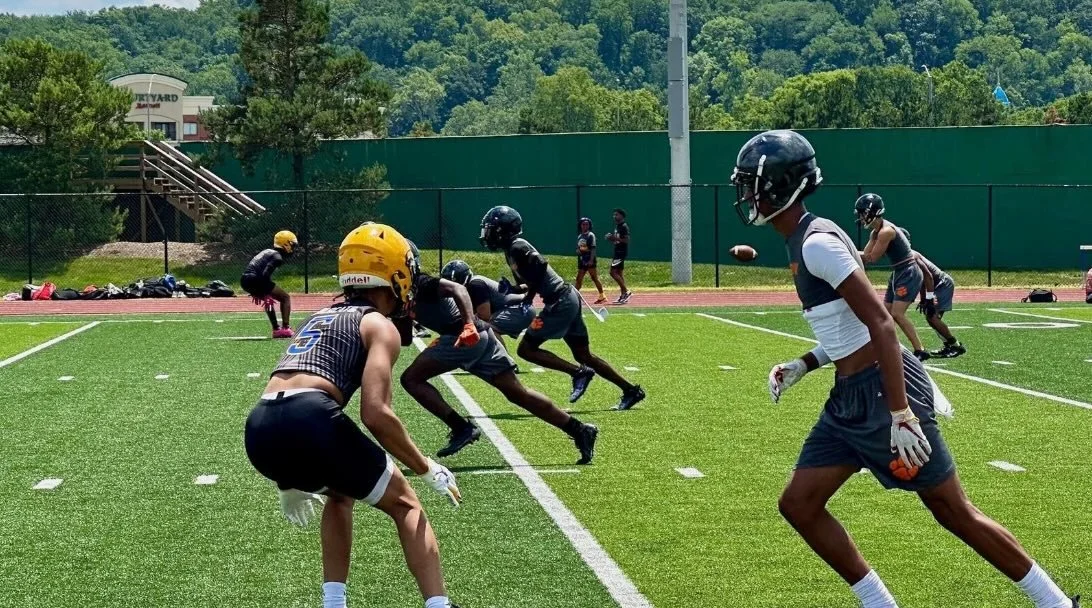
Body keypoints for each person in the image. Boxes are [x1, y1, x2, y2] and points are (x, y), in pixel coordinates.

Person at [731, 129, 1078, 608]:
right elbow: (849, 327)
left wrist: (901, 413)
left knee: (952, 509)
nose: (746, 194)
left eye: (752, 184)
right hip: (852, 394)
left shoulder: (815, 243)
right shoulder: (805, 238)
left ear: (781, 186)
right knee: (800, 504)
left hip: (883, 390)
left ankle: (1056, 603)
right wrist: (805, 363)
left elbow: (881, 322)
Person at [243, 223, 463, 608]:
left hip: (260, 426)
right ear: (395, 273)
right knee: (406, 504)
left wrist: (287, 480)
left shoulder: (317, 317)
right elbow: (376, 414)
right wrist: (426, 467)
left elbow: (286, 388)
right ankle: (439, 605)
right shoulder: (377, 324)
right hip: (309, 417)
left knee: (340, 494)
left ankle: (334, 603)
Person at [400, 257, 599, 464]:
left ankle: (461, 427)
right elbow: (405, 339)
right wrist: (402, 313)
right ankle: (579, 429)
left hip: (463, 335)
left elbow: (458, 288)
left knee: (411, 379)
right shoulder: (400, 293)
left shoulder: (420, 283)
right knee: (518, 394)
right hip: (482, 335)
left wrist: (468, 325)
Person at [480, 205, 646, 411]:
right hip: (565, 298)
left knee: (526, 350)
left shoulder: (517, 246)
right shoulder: (511, 251)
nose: (487, 234)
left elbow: (541, 266)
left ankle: (579, 373)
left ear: (503, 230)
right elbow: (530, 282)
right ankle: (631, 390)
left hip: (560, 301)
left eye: (490, 229)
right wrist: (513, 289)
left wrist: (528, 298)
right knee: (583, 355)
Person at [855, 194, 929, 361]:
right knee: (886, 314)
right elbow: (866, 255)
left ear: (872, 212)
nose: (860, 217)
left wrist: (845, 251)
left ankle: (920, 350)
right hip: (899, 272)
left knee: (897, 314)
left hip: (908, 272)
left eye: (862, 213)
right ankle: (887, 346)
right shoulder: (876, 232)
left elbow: (872, 258)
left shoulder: (886, 231)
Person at [441, 259, 536, 353]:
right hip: (518, 308)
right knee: (479, 327)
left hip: (520, 309)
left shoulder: (475, 285)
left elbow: (484, 316)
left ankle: (503, 358)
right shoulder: (473, 284)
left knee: (485, 328)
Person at [899, 228, 966, 359]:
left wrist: (929, 299)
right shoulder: (905, 257)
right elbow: (921, 280)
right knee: (931, 318)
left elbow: (928, 277)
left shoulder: (911, 256)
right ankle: (949, 345)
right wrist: (924, 299)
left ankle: (955, 346)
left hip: (941, 284)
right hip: (935, 284)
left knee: (932, 317)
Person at [241, 230, 298, 339]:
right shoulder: (277, 257)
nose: (293, 248)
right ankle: (285, 328)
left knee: (269, 300)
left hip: (245, 280)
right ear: (285, 244)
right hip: (256, 278)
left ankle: (276, 329)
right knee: (285, 297)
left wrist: (258, 290)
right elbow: (265, 274)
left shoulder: (267, 251)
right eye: (292, 245)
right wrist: (264, 290)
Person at [574, 217, 608, 304]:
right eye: (583, 224)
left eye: (587, 224)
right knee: (579, 279)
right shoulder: (580, 236)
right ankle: (575, 296)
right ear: (580, 225)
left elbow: (593, 248)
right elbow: (579, 248)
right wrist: (578, 251)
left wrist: (591, 260)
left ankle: (602, 296)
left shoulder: (590, 235)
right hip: (582, 260)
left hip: (589, 259)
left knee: (594, 278)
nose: (585, 226)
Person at [605, 208, 632, 304]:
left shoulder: (624, 226)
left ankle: (627, 291)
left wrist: (614, 238)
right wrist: (611, 238)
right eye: (614, 215)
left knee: (612, 272)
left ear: (621, 216)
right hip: (617, 251)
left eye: (616, 215)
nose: (614, 216)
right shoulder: (618, 226)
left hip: (620, 252)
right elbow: (618, 239)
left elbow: (626, 240)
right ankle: (623, 295)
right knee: (619, 274)